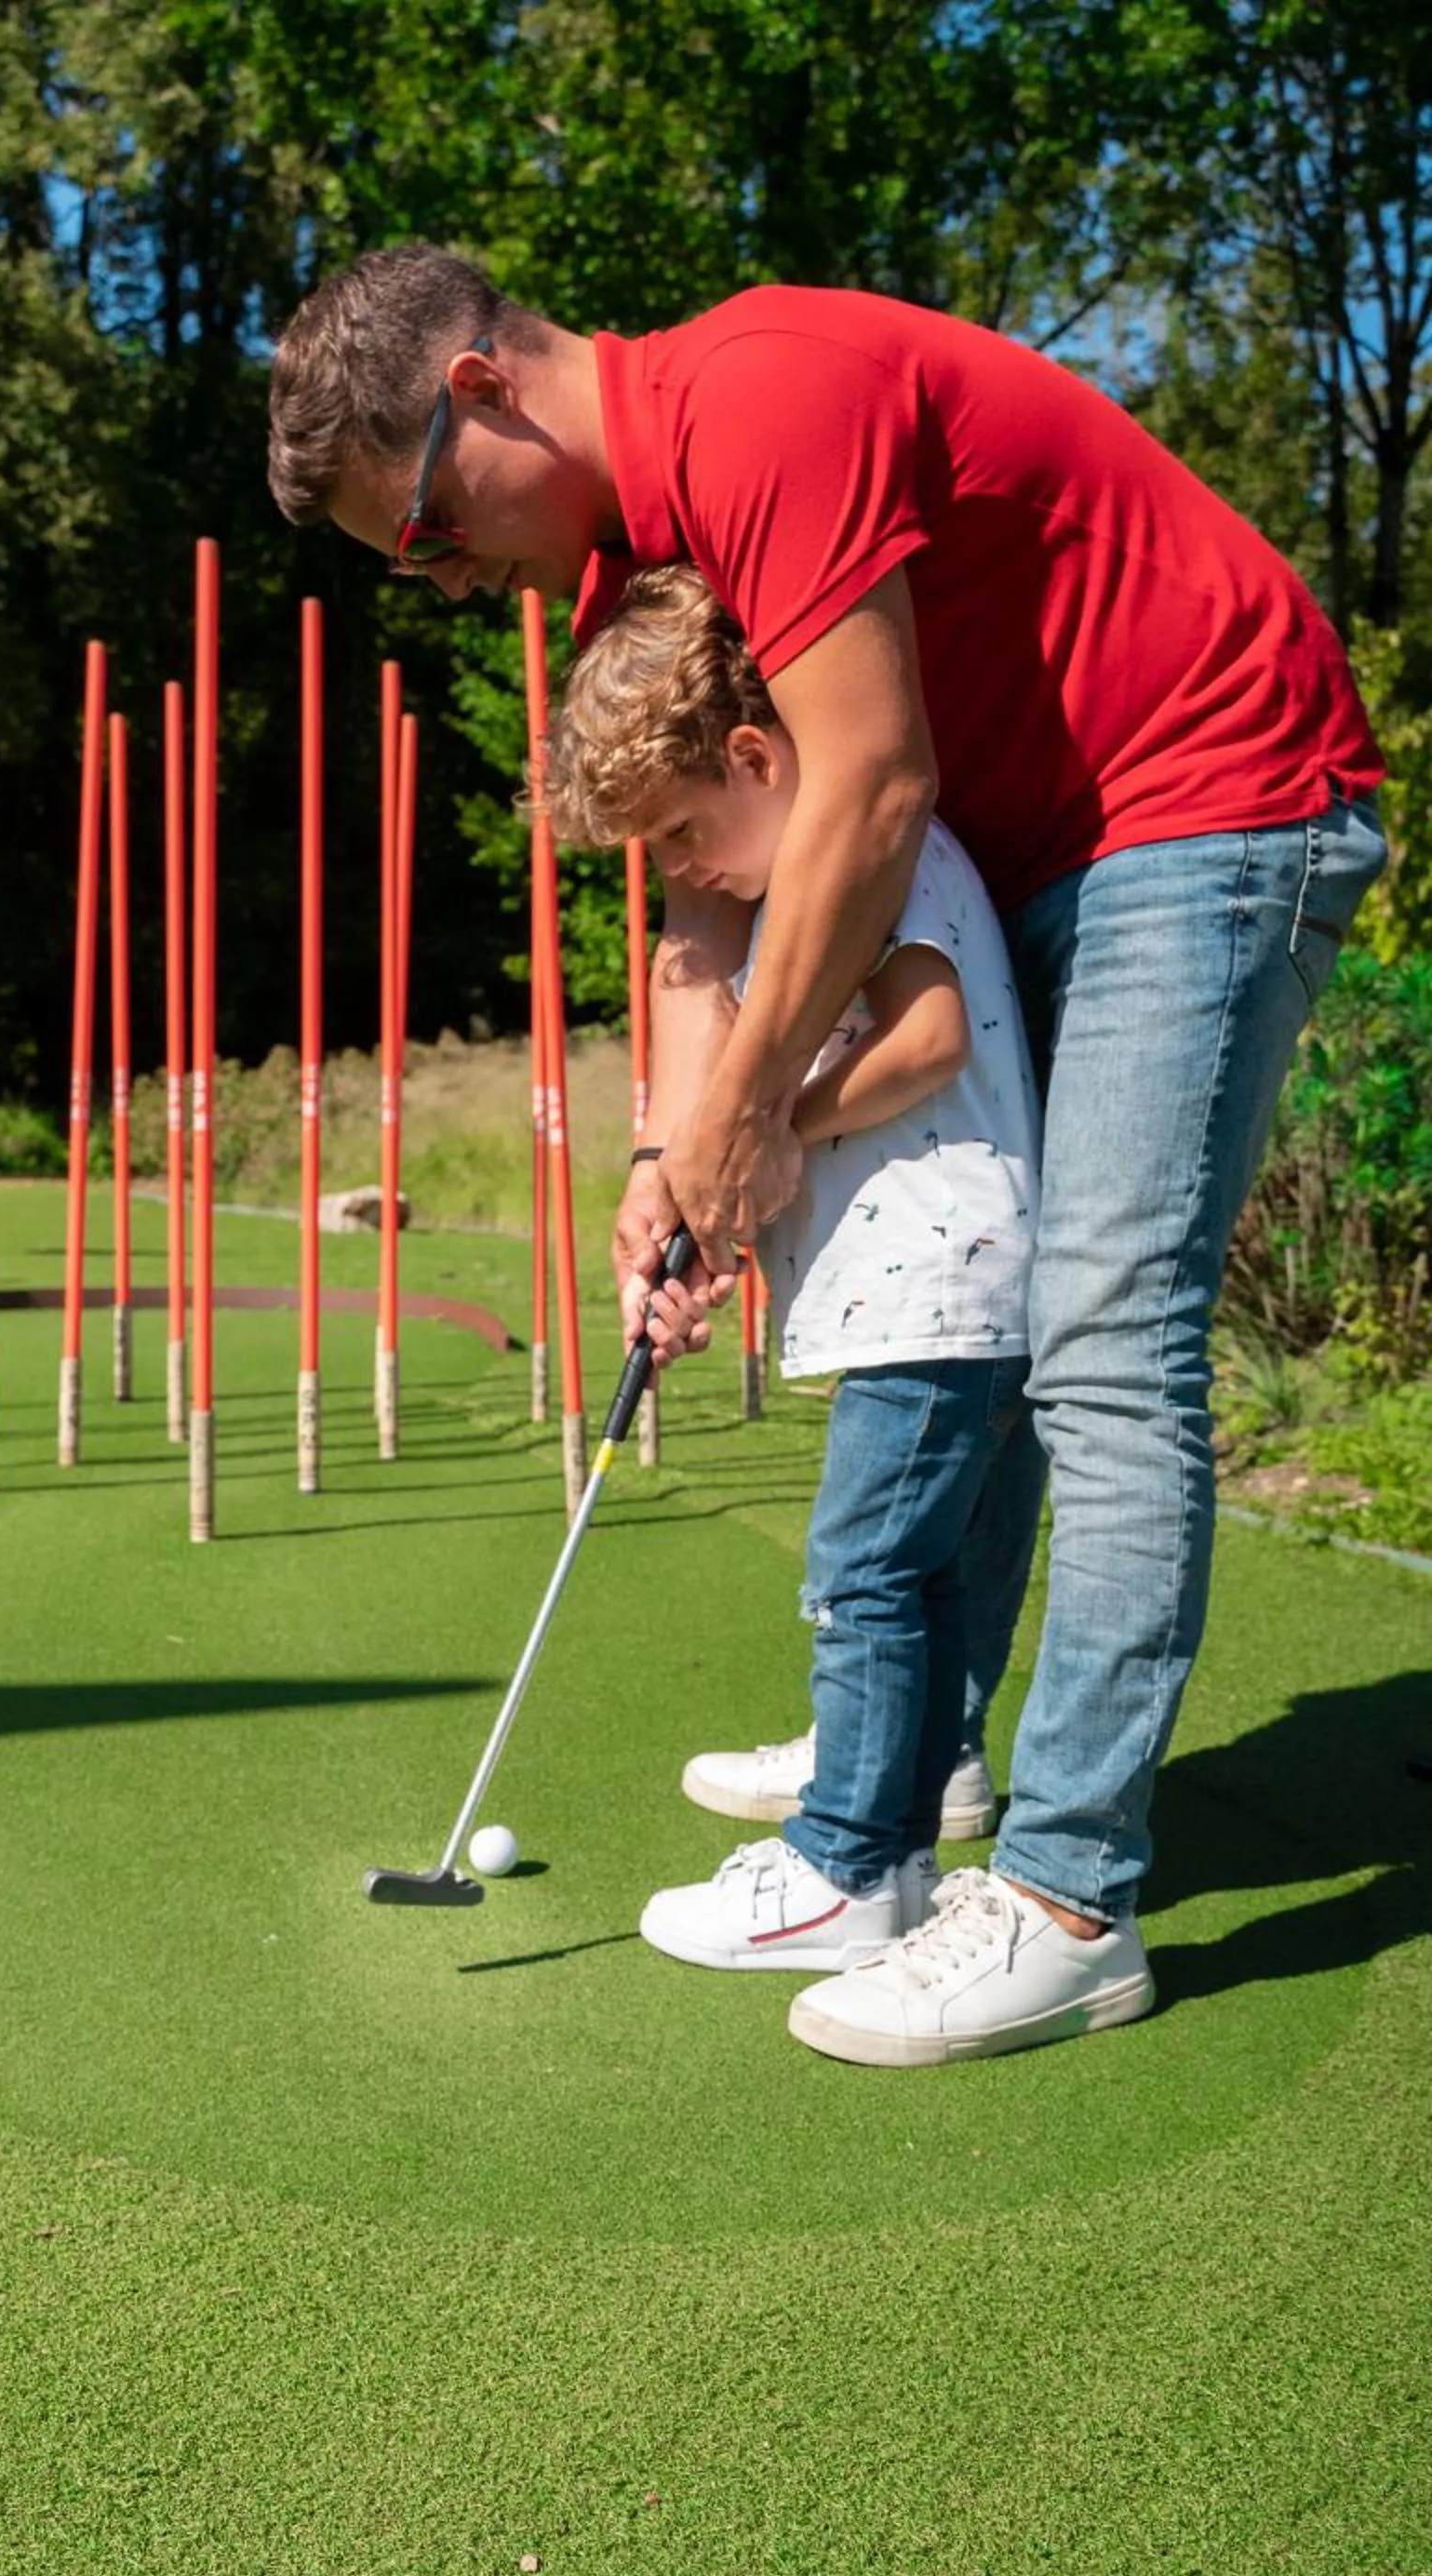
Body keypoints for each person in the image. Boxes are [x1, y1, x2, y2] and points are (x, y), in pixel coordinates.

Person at [267, 246, 1389, 2065]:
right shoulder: (628, 572)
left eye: (420, 533)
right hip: (1046, 839)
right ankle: (919, 1745)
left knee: (1098, 1342)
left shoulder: (755, 396)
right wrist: (661, 1148)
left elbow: (860, 789)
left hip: (1204, 783)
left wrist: (745, 1131)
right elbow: (702, 922)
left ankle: (1067, 1901)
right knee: (1018, 1353)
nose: (444, 578)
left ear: (478, 394)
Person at [537, 566, 1070, 2036]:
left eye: (690, 833)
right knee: (929, 1574)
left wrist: (778, 1123)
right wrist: (718, 1200)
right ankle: (904, 1786)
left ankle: (848, 1866)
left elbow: (927, 1039)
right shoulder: (790, 895)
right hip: (948, 1290)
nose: (690, 870)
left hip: (938, 1289)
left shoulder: (884, 862)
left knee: (864, 1574)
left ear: (763, 761)